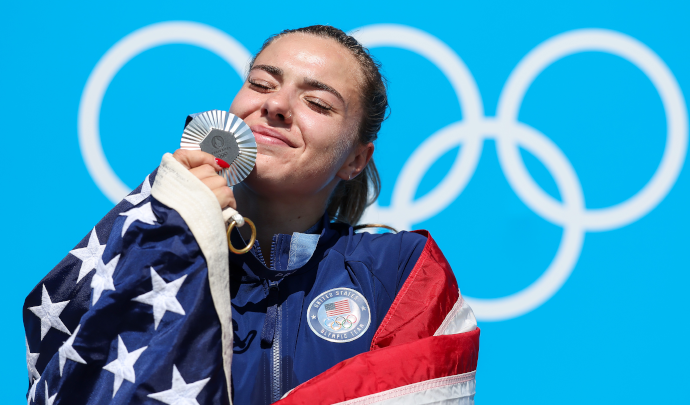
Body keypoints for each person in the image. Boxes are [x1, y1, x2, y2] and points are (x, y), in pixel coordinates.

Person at [24, 25, 479, 405]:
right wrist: (174, 227)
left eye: (318, 103)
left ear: (355, 160)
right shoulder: (144, 241)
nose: (275, 106)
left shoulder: (398, 269)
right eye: (261, 84)